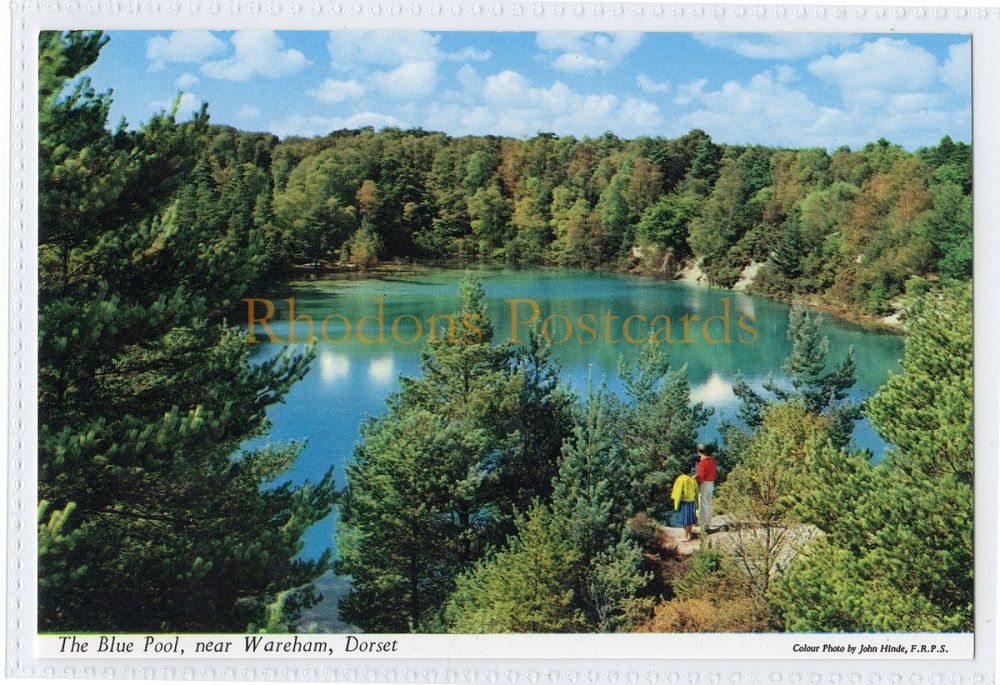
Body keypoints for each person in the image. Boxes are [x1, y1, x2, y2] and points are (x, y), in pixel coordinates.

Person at [671, 465, 699, 541]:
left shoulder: (681, 479)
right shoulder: (692, 479)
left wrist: (676, 504)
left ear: (681, 471)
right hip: (692, 501)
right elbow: (697, 491)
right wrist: (697, 504)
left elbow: (678, 492)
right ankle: (690, 535)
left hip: (684, 502)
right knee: (690, 520)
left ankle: (685, 537)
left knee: (685, 521)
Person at [696, 442, 718, 533]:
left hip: (704, 484)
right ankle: (709, 523)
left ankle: (704, 527)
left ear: (699, 451)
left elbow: (701, 476)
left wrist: (695, 479)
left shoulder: (703, 462)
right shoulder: (712, 460)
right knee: (708, 504)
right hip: (711, 484)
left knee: (703, 505)